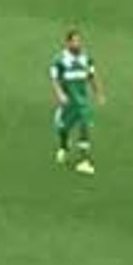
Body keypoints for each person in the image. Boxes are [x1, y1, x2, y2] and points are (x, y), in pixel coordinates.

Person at [50, 29, 103, 174]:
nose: (77, 43)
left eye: (79, 41)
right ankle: (63, 147)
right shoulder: (59, 60)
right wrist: (60, 94)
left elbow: (92, 75)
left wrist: (98, 93)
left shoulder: (86, 58)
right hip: (68, 102)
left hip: (82, 102)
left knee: (84, 125)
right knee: (63, 127)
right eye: (74, 41)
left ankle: (84, 161)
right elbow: (54, 79)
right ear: (67, 43)